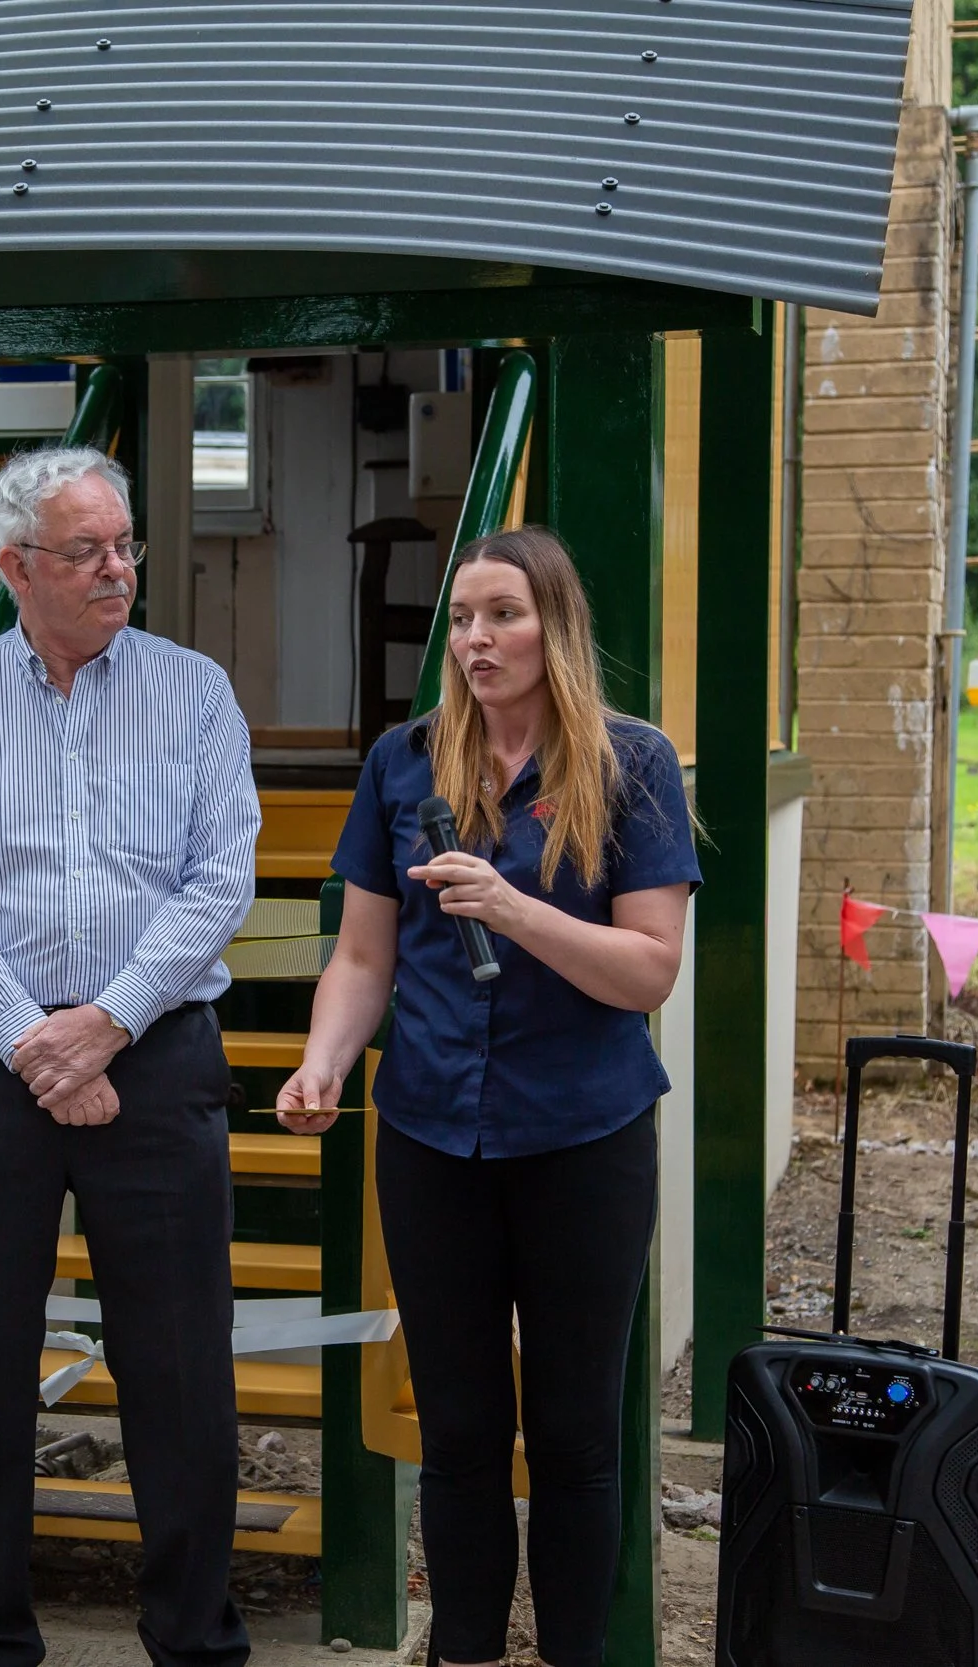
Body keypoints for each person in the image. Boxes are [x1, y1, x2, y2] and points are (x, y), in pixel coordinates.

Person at [275, 526, 698, 1667]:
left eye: (502, 614)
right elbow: (362, 957)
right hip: (428, 1134)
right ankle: (461, 1651)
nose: (475, 638)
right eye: (461, 618)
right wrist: (324, 1059)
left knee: (573, 1436)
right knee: (458, 1430)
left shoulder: (633, 764)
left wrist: (514, 910)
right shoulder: (403, 762)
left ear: (554, 626)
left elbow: (648, 970)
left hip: (584, 1137)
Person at [0, 446, 261, 1667]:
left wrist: (107, 1021)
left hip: (154, 1053)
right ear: (14, 566)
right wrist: (29, 1036)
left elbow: (220, 878)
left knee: (179, 1366)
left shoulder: (194, 691)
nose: (117, 569)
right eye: (86, 550)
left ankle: (193, 1638)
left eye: (123, 544)